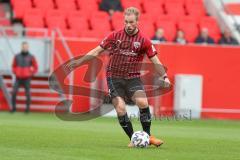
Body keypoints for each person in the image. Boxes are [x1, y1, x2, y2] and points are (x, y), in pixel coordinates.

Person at [67, 7, 171, 147]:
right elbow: (97, 50)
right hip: (114, 78)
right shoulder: (114, 36)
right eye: (126, 22)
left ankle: (148, 136)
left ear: (137, 22)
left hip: (133, 77)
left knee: (142, 102)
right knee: (120, 108)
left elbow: (155, 60)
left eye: (132, 22)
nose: (128, 25)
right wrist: (79, 61)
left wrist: (165, 76)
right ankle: (133, 139)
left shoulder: (144, 41)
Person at [11, 42, 38, 113]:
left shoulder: (31, 57)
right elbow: (13, 66)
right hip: (18, 78)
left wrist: (31, 73)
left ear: (28, 47)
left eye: (26, 46)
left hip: (27, 78)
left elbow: (36, 67)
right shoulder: (16, 56)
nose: (25, 48)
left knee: (28, 94)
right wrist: (15, 72)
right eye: (23, 46)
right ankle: (13, 108)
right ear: (21, 47)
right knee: (14, 92)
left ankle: (27, 109)